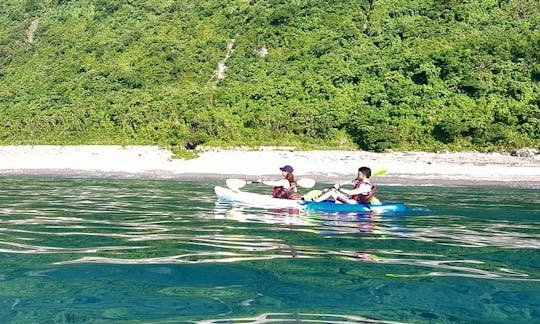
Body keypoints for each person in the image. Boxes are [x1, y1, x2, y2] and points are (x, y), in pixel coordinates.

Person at [314, 166, 381, 204]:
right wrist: (338, 185)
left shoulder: (366, 186)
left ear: (364, 175)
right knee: (330, 190)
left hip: (354, 203)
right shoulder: (359, 181)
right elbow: (350, 181)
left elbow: (350, 192)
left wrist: (339, 188)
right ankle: (317, 199)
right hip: (351, 200)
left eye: (359, 174)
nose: (357, 176)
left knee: (332, 192)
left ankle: (314, 203)